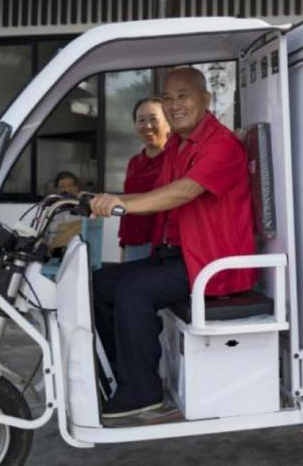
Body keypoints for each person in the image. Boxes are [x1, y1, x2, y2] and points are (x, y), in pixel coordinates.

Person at [90, 67, 255, 420]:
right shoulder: (177, 147)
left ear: (206, 99)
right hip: (176, 256)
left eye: (183, 95)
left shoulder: (222, 145)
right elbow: (156, 195)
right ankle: (122, 378)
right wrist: (98, 200)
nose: (174, 104)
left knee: (134, 290)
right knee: (100, 282)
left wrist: (120, 204)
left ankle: (143, 393)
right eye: (167, 97)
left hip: (210, 264)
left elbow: (184, 192)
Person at [118, 98, 171, 262]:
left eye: (153, 119)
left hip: (162, 246)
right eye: (141, 120)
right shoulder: (134, 162)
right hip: (133, 244)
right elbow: (126, 210)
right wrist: (124, 245)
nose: (147, 126)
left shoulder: (175, 160)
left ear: (169, 123)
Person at [46, 171, 83, 256]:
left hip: (76, 254)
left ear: (76, 188)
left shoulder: (84, 210)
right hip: (52, 254)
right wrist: (45, 245)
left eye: (70, 186)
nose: (66, 190)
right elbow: (44, 235)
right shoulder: (51, 210)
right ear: (57, 190)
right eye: (62, 187)